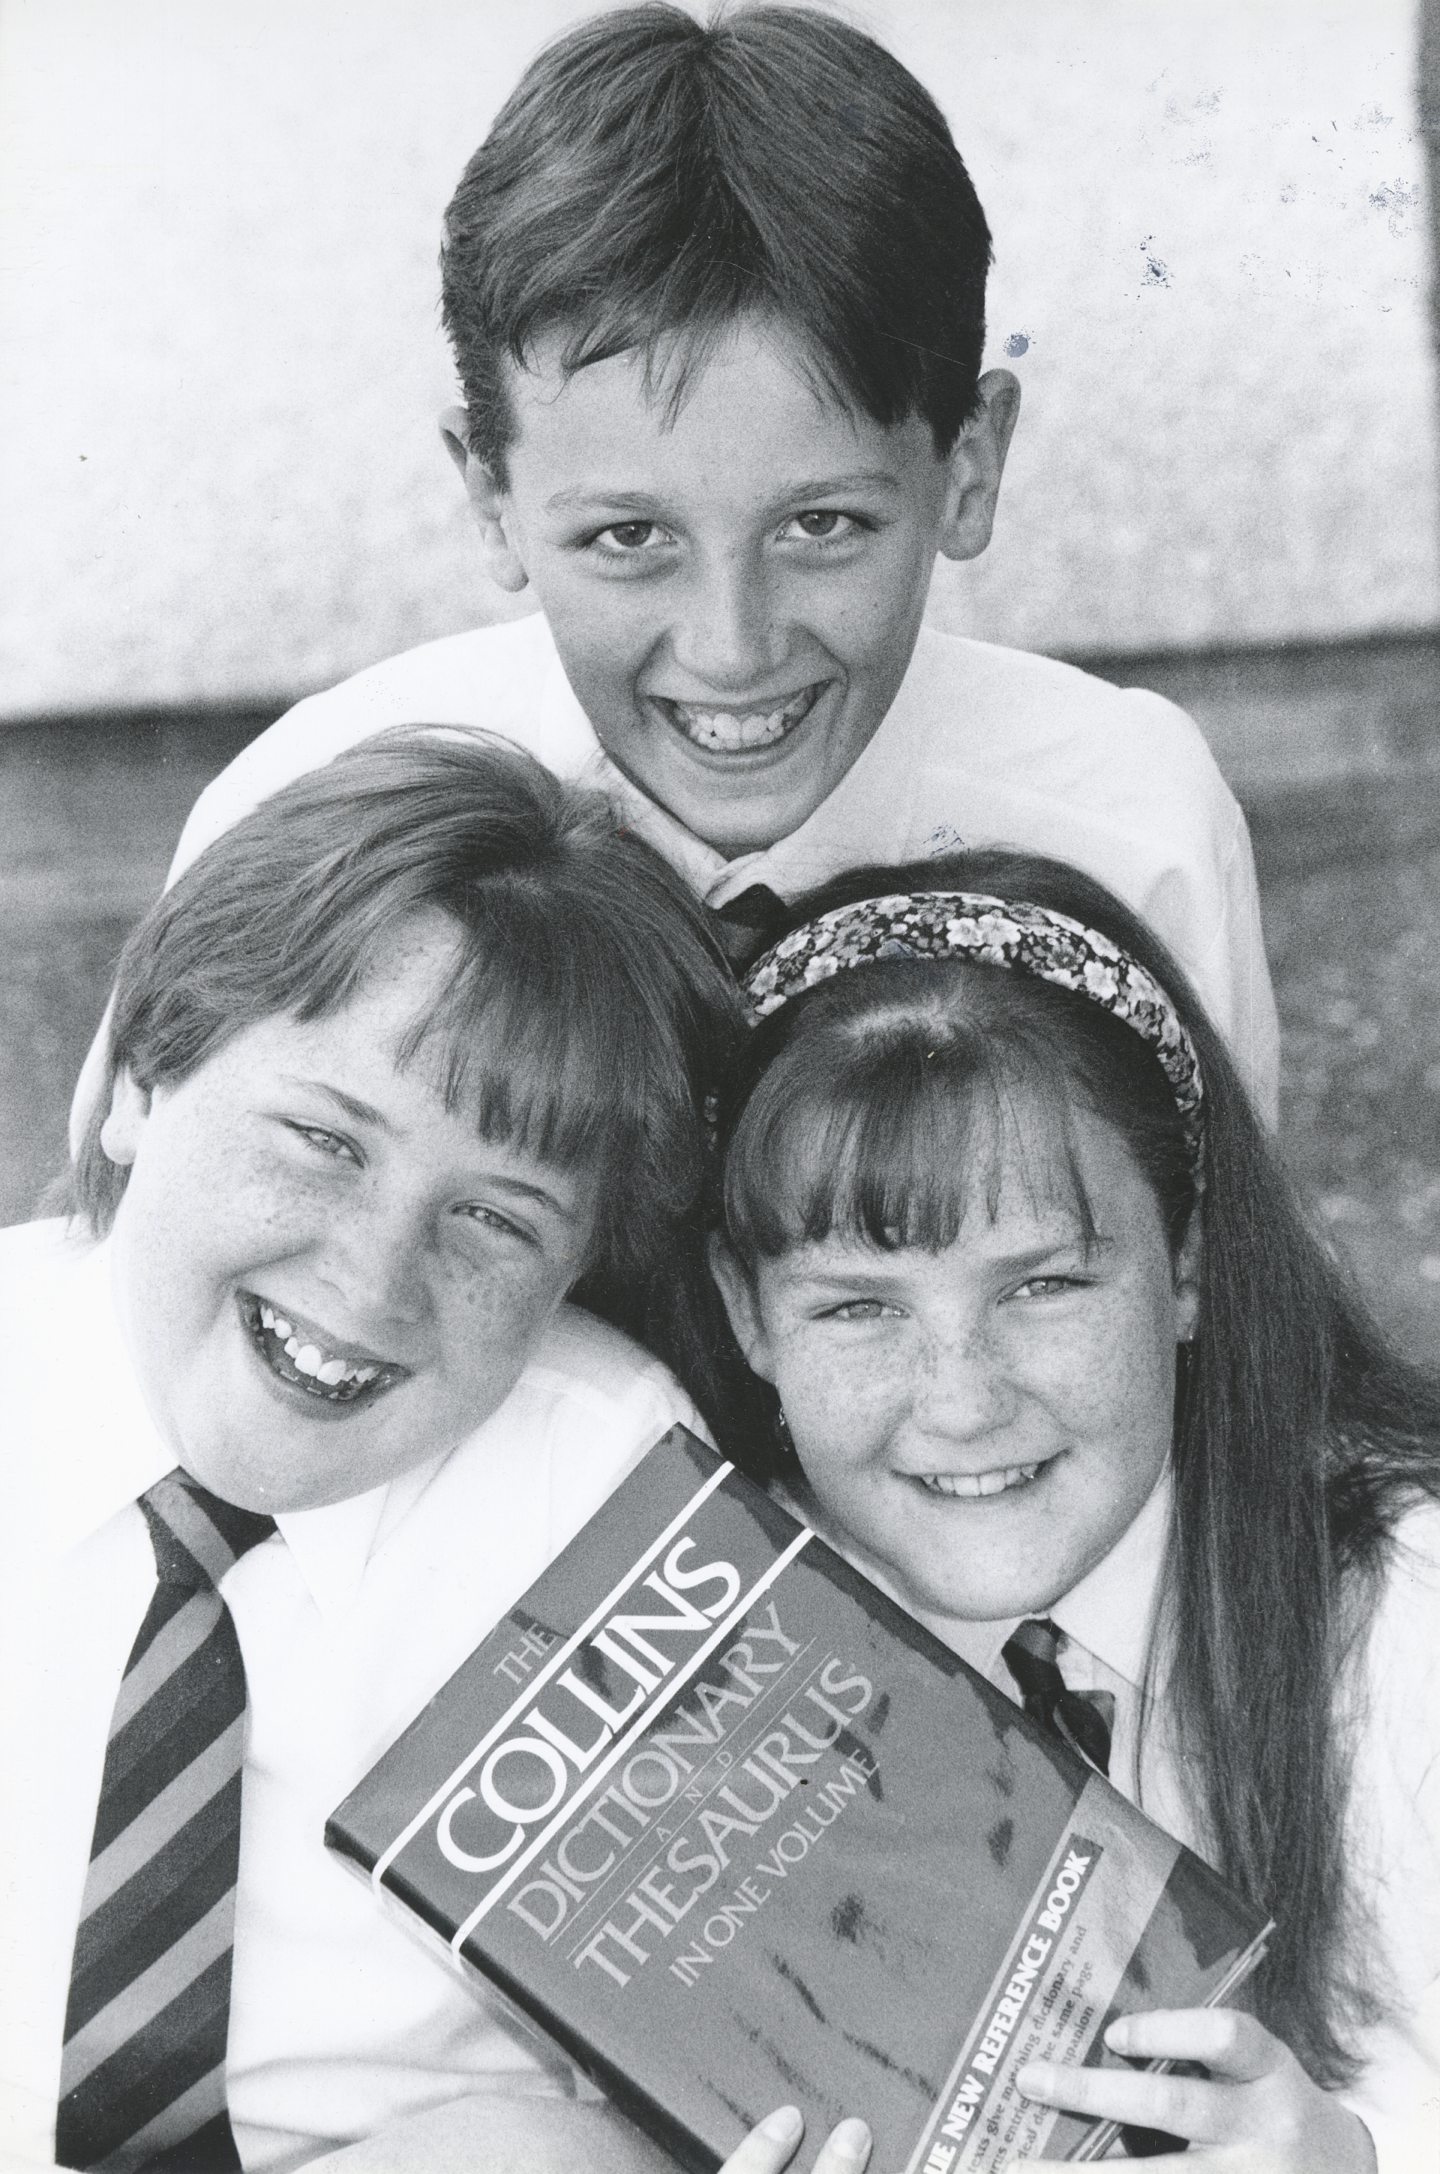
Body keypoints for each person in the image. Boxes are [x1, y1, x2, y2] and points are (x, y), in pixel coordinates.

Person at [69, 2, 1279, 1150]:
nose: (733, 646)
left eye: (822, 524)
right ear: (489, 497)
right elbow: (128, 1278)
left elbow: (1220, 1310)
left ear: (968, 470)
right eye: (630, 539)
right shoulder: (302, 826)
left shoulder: (1132, 835)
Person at [0, 728, 764, 2174]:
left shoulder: (607, 1490)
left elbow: (754, 2068)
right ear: (141, 1080)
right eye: (324, 1139)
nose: (369, 1280)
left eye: (496, 1217)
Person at [693, 849, 1440, 2173]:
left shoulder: (1409, 1605)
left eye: (1042, 1285)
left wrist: (1358, 2160)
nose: (963, 1401)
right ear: (751, 1315)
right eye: (857, 1305)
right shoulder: (676, 1685)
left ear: (1189, 1262)